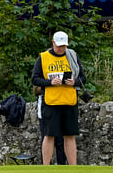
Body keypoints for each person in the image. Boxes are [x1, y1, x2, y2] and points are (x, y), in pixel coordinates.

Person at [31, 31, 86, 165]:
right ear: (53, 43)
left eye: (64, 46)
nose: (61, 48)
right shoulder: (43, 57)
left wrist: (75, 82)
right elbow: (35, 79)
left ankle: (73, 168)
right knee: (49, 135)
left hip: (69, 101)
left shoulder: (72, 56)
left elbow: (83, 78)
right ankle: (46, 167)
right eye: (59, 45)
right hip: (51, 102)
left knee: (70, 135)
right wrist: (50, 82)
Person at [34, 86, 67, 165]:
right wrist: (50, 84)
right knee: (46, 139)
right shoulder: (41, 74)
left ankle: (62, 167)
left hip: (61, 109)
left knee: (60, 142)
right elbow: (36, 90)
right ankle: (45, 167)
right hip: (45, 113)